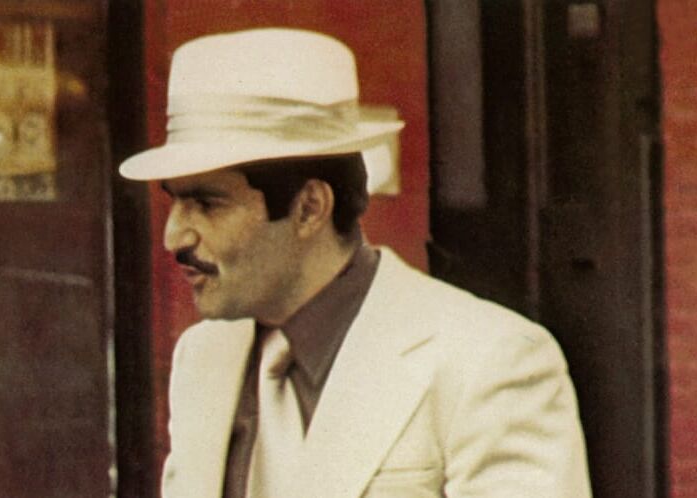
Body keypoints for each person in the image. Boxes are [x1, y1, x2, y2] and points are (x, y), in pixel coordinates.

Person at [120, 28, 591, 498]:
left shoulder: (489, 359)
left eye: (208, 204)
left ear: (310, 208)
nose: (174, 237)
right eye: (176, 202)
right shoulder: (204, 358)